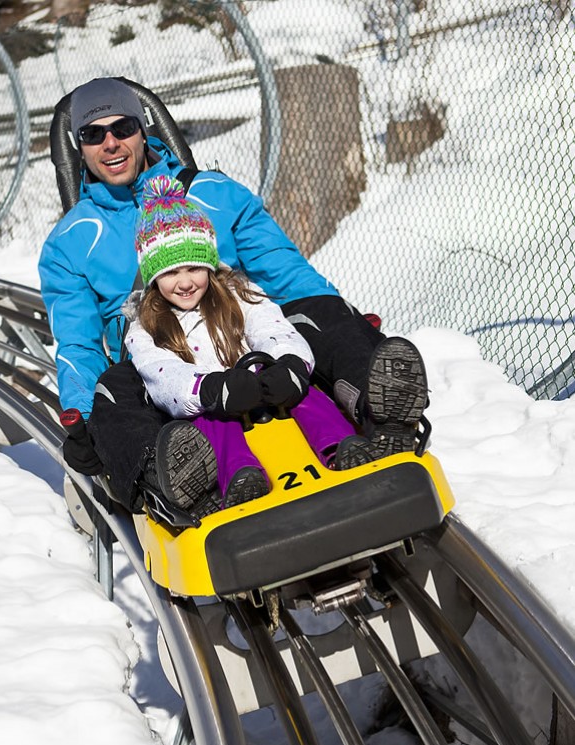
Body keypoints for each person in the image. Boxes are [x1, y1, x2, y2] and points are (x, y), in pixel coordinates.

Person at [39, 77, 428, 513]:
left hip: (240, 334)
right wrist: (85, 422)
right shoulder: (69, 242)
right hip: (158, 361)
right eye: (93, 134)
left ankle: (382, 416)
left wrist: (342, 324)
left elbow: (288, 275)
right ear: (79, 146)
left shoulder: (215, 195)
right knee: (112, 392)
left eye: (122, 128)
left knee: (318, 313)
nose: (110, 143)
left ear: (142, 128)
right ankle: (170, 473)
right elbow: (79, 343)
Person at [122, 174, 362, 515]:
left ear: (209, 264)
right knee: (209, 422)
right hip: (211, 404)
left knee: (306, 393)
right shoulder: (144, 328)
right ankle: (240, 476)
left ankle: (340, 445)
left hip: (263, 394)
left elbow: (271, 327)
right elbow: (163, 375)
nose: (186, 282)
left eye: (194, 267)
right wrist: (207, 390)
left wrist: (290, 364)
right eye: (172, 273)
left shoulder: (237, 293)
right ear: (153, 276)